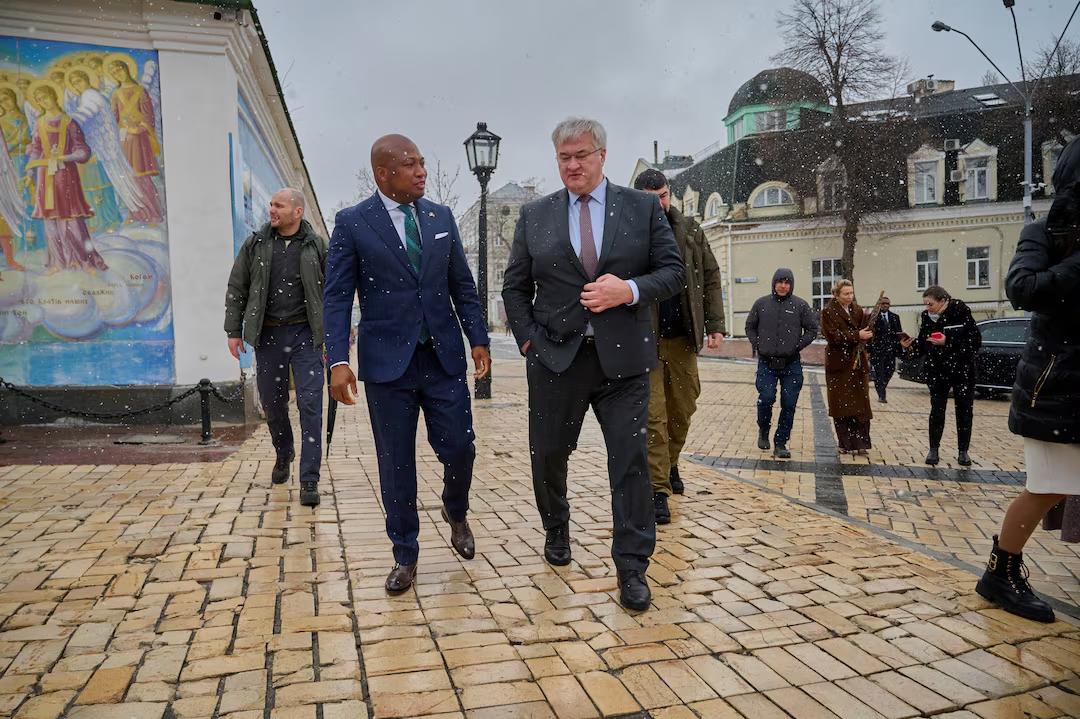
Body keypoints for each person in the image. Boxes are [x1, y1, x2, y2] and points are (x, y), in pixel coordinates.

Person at [502, 117, 683, 611]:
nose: (573, 165)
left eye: (582, 155)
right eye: (564, 157)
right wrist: (528, 344)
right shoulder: (536, 216)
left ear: (602, 155)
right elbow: (514, 287)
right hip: (556, 359)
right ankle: (556, 529)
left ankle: (632, 567)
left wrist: (629, 289)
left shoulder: (642, 208)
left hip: (623, 362)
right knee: (549, 456)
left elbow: (673, 273)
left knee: (629, 464)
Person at [325, 134, 490, 595]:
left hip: (441, 359)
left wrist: (478, 337)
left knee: (460, 447)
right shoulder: (354, 223)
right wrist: (338, 359)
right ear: (383, 173)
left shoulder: (440, 217)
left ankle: (455, 511)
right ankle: (405, 555)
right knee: (396, 463)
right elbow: (336, 297)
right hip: (387, 367)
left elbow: (462, 283)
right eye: (411, 165)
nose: (422, 172)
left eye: (423, 164)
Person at [976, 136, 1080, 624]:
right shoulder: (1043, 233)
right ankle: (1001, 570)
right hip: (1056, 389)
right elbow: (1022, 289)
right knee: (1047, 486)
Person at [632, 169, 725, 524]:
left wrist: (715, 325)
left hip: (683, 338)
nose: (660, 203)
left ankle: (670, 462)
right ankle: (658, 490)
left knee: (683, 410)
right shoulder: (627, 234)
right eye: (652, 197)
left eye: (664, 195)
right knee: (654, 416)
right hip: (645, 340)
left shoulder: (690, 230)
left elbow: (712, 276)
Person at [225, 188, 326, 507]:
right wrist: (233, 329)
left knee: (311, 403)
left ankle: (309, 477)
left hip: (306, 336)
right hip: (268, 336)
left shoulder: (316, 246)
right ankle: (284, 453)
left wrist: (332, 335)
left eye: (279, 205)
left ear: (298, 211)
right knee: (273, 403)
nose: (272, 209)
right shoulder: (256, 244)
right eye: (271, 204)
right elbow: (237, 286)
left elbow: (334, 291)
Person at [25, 82, 108, 274]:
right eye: (38, 100)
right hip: (45, 177)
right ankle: (58, 262)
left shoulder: (68, 122)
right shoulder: (40, 124)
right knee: (50, 220)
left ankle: (84, 261)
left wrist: (63, 157)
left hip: (65, 175)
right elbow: (36, 150)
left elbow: (83, 151)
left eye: (45, 97)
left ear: (54, 96)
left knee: (70, 218)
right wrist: (30, 172)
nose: (43, 102)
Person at [900, 285, 980, 466]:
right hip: (937, 370)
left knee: (964, 410)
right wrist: (910, 347)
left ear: (943, 301)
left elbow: (974, 341)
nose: (927, 308)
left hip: (962, 370)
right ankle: (933, 449)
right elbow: (924, 343)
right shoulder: (926, 317)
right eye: (925, 304)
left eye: (930, 304)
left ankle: (963, 451)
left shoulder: (961, 312)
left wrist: (948, 340)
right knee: (937, 410)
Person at [745, 268, 818, 459]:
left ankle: (781, 442)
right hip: (767, 363)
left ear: (791, 285)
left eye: (787, 282)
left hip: (791, 364)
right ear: (774, 283)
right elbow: (750, 326)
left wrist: (797, 345)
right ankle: (763, 429)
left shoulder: (800, 306)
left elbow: (812, 329)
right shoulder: (761, 304)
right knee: (766, 398)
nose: (783, 286)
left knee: (789, 404)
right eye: (780, 282)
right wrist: (758, 344)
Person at [821, 279, 873, 454]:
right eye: (846, 294)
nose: (850, 296)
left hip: (857, 365)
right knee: (841, 405)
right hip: (838, 364)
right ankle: (845, 443)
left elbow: (866, 331)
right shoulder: (828, 312)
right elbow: (833, 336)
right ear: (836, 295)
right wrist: (856, 335)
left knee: (860, 404)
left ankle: (861, 443)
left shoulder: (857, 310)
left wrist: (868, 334)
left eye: (852, 293)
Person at [868, 295, 903, 402]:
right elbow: (869, 334)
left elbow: (899, 333)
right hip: (877, 350)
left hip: (890, 350)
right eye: (883, 303)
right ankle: (882, 395)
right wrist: (868, 350)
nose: (885, 305)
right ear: (879, 305)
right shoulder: (873, 317)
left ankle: (881, 387)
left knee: (890, 370)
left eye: (887, 304)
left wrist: (899, 348)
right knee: (879, 373)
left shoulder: (895, 317)